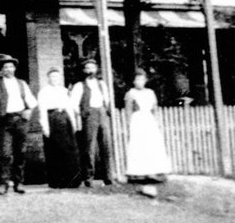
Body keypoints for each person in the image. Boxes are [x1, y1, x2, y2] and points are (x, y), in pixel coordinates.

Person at [0, 56, 37, 195]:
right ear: (1, 70)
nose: (9, 69)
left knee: (20, 152)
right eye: (5, 67)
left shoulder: (21, 83)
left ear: (15, 68)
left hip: (21, 120)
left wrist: (28, 111)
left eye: (11, 67)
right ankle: (3, 183)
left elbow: (32, 102)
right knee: (5, 153)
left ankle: (19, 182)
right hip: (6, 120)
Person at [123, 68, 172, 198]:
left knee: (152, 145)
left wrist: (156, 121)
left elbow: (154, 109)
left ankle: (153, 173)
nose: (140, 82)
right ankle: (138, 174)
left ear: (145, 81)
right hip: (137, 120)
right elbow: (128, 111)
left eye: (142, 79)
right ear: (134, 81)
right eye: (137, 80)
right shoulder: (131, 93)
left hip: (149, 120)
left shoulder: (150, 93)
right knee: (139, 146)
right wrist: (129, 124)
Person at [69, 58, 115, 187]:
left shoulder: (102, 84)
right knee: (89, 148)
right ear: (84, 70)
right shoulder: (79, 86)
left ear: (96, 69)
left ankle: (108, 177)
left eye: (92, 68)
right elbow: (73, 104)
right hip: (89, 116)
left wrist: (105, 110)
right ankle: (88, 178)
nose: (90, 71)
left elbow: (107, 100)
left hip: (102, 113)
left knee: (106, 146)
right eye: (87, 68)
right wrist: (83, 113)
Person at [37, 68, 81, 188]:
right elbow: (42, 110)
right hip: (52, 119)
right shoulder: (44, 92)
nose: (55, 79)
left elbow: (69, 107)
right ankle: (56, 181)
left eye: (57, 76)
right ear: (48, 78)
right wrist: (45, 127)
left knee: (69, 150)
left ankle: (71, 180)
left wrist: (73, 123)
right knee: (55, 150)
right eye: (52, 77)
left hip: (65, 119)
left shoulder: (64, 91)